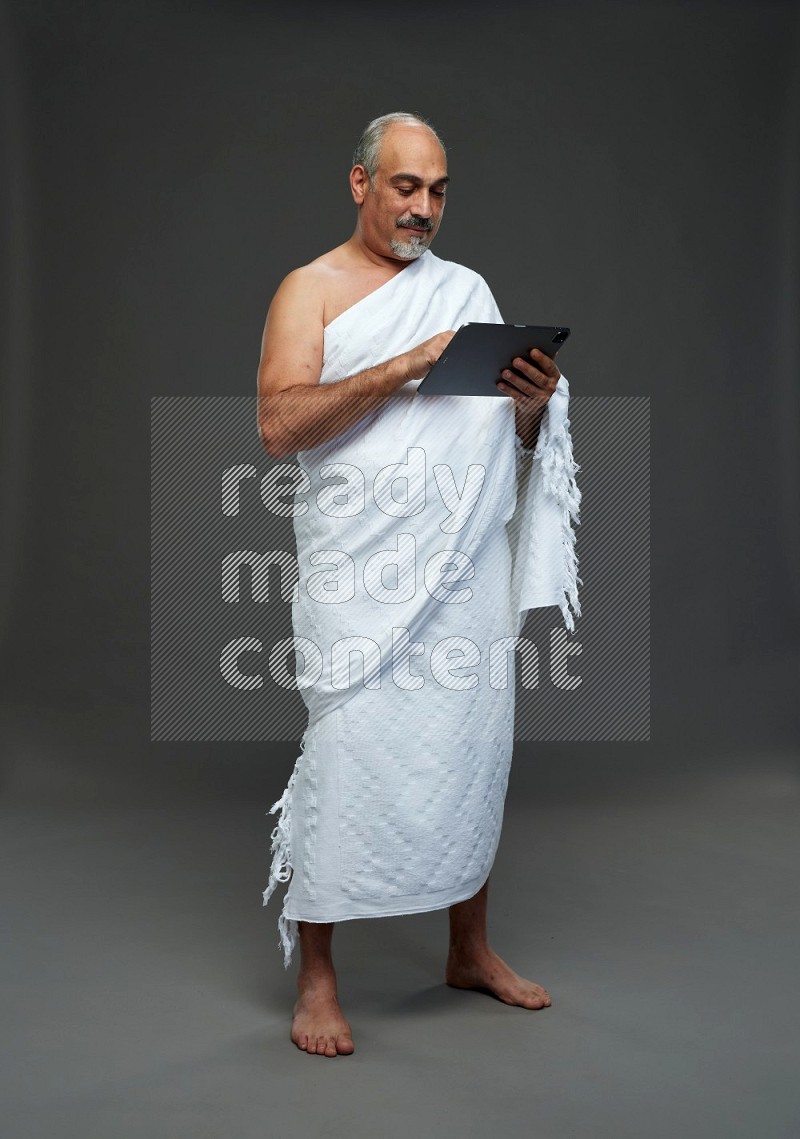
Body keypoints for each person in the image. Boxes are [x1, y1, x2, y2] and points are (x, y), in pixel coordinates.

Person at [256, 112, 580, 1057]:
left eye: (438, 191)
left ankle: (469, 948)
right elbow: (279, 426)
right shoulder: (308, 290)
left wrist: (529, 411)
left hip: (460, 571)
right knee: (345, 756)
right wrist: (404, 367)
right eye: (405, 187)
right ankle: (318, 977)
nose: (423, 208)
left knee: (467, 751)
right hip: (361, 575)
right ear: (361, 183)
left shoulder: (467, 291)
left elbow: (495, 448)